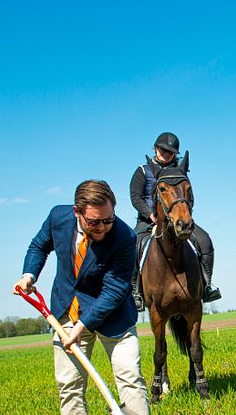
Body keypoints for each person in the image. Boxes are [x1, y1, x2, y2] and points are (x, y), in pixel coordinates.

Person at [13, 180, 149, 415]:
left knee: (130, 378)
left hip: (113, 316)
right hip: (68, 311)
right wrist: (28, 276)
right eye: (94, 222)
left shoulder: (124, 237)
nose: (103, 227)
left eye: (109, 220)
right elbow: (38, 246)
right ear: (77, 212)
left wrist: (83, 325)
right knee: (70, 386)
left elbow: (114, 289)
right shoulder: (58, 217)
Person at [129, 132, 221, 309]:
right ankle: (135, 292)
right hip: (148, 220)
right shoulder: (142, 171)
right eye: (163, 150)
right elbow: (136, 197)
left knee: (204, 241)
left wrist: (184, 213)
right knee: (133, 245)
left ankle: (207, 285)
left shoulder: (179, 170)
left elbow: (189, 196)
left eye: (170, 152)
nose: (166, 154)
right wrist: (150, 214)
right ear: (156, 148)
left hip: (176, 218)